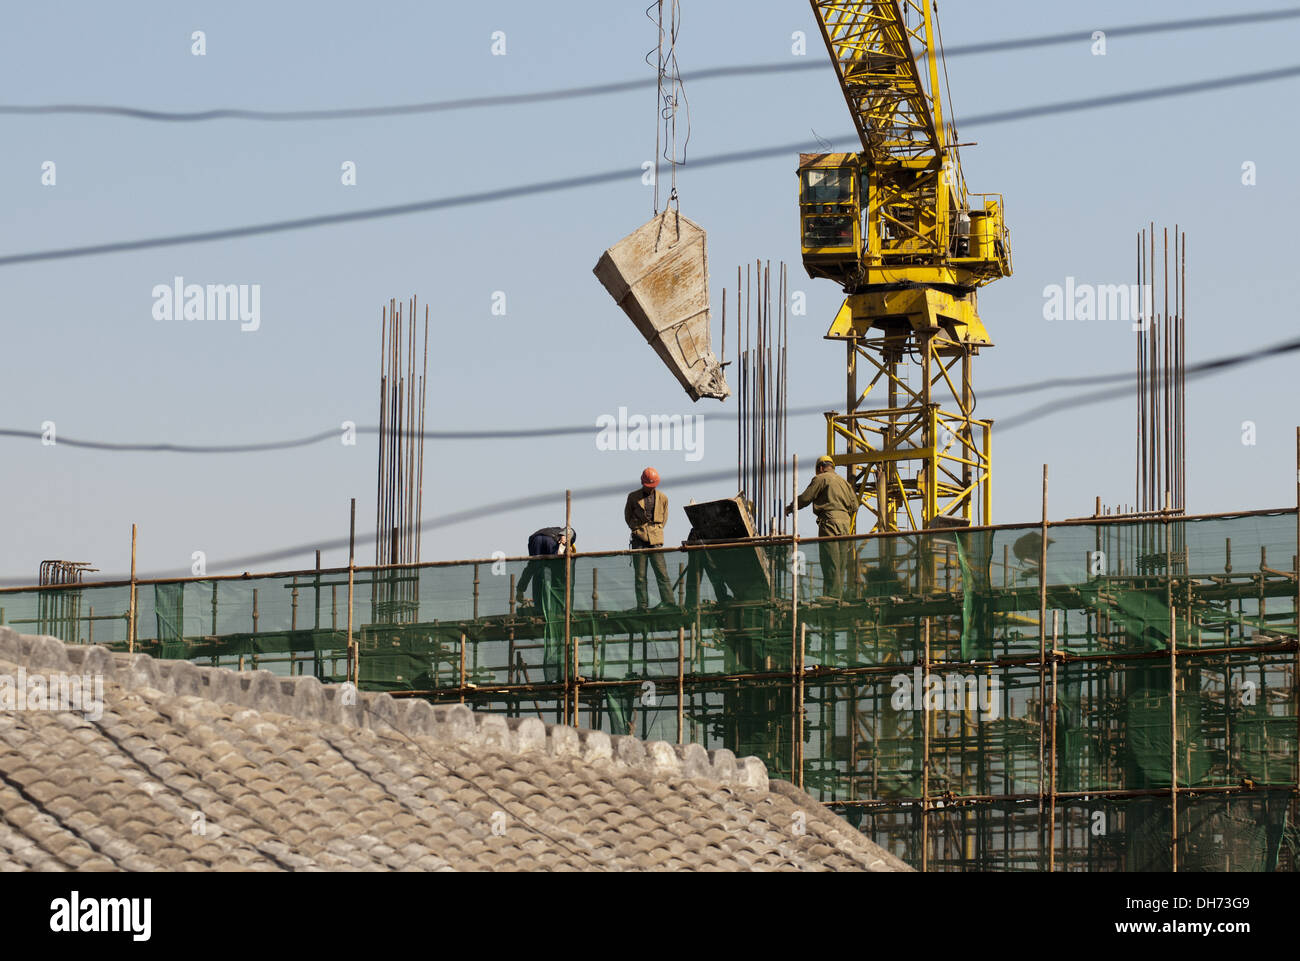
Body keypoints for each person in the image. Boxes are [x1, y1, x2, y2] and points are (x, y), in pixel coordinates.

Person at [787, 455, 857, 600]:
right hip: (845, 523)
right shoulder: (844, 482)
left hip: (830, 521)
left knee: (830, 558)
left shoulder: (821, 478)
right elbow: (855, 505)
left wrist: (790, 507)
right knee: (841, 560)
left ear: (820, 468)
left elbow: (806, 498)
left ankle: (832, 594)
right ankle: (838, 594)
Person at [515, 526, 575, 681]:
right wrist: (564, 539)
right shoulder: (569, 540)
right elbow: (569, 531)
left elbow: (566, 530)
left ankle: (534, 601)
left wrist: (521, 589)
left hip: (536, 538)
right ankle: (543, 605)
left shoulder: (552, 531)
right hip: (550, 542)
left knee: (536, 568)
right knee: (547, 570)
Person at [624, 467, 675, 610]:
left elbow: (664, 518)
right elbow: (627, 516)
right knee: (640, 576)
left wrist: (656, 531)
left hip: (656, 539)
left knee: (661, 572)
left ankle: (669, 603)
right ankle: (642, 605)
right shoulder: (633, 497)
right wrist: (636, 530)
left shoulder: (663, 498)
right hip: (638, 538)